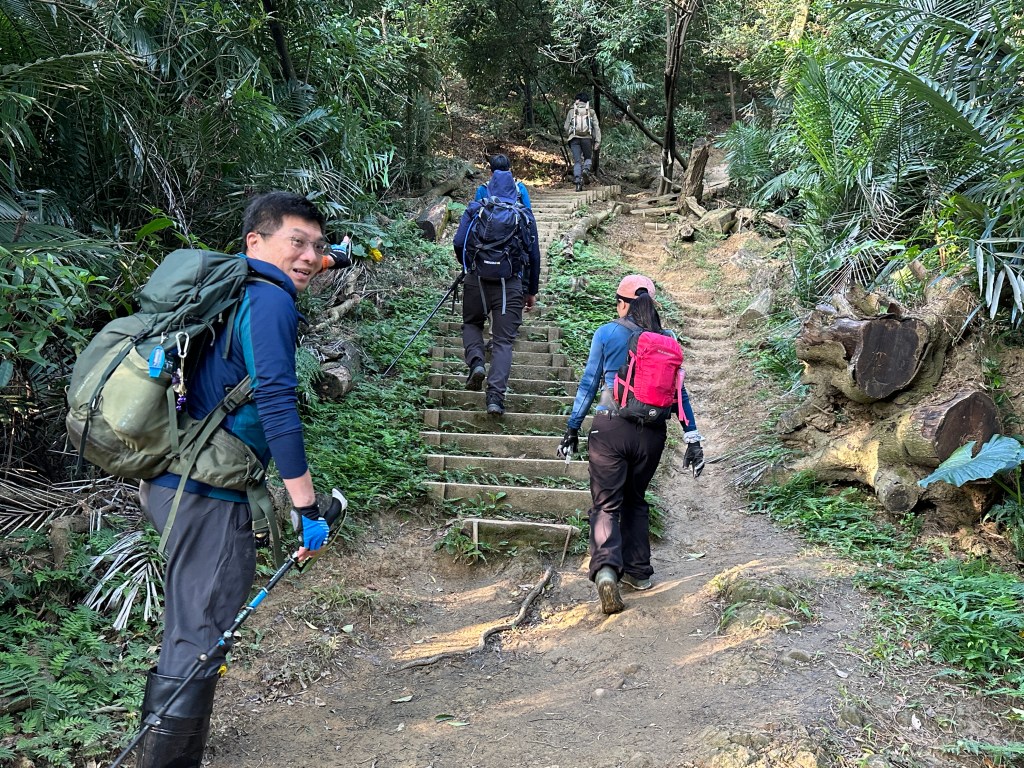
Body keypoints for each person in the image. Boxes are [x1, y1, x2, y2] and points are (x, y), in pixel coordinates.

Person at [136, 191, 337, 767]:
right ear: (256, 241)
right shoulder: (269, 299)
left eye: (316, 246)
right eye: (296, 242)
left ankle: (171, 750)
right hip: (208, 493)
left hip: (175, 480)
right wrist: (306, 506)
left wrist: (332, 255)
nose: (308, 256)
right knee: (199, 636)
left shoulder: (232, 290)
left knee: (193, 627)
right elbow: (276, 399)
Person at [556, 275, 704, 614]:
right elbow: (679, 393)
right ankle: (638, 573)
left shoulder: (607, 333)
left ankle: (607, 570)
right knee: (635, 499)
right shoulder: (668, 339)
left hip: (610, 428)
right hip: (651, 434)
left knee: (606, 504)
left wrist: (572, 428)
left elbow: (589, 382)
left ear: (623, 303)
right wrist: (692, 437)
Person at [453, 174, 542, 416]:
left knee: (472, 323)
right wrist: (530, 290)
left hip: (477, 280)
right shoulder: (523, 214)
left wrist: (468, 265)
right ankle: (495, 398)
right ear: (514, 190)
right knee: (503, 342)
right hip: (509, 284)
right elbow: (534, 255)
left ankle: (476, 362)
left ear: (490, 188)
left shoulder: (476, 209)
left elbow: (459, 242)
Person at [563, 91, 602, 192]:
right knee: (588, 158)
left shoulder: (572, 111)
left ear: (578, 100)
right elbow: (596, 127)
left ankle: (577, 181)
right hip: (587, 139)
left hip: (574, 139)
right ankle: (586, 170)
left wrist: (570, 134)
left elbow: (566, 127)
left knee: (577, 161)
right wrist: (597, 141)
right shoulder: (591, 111)